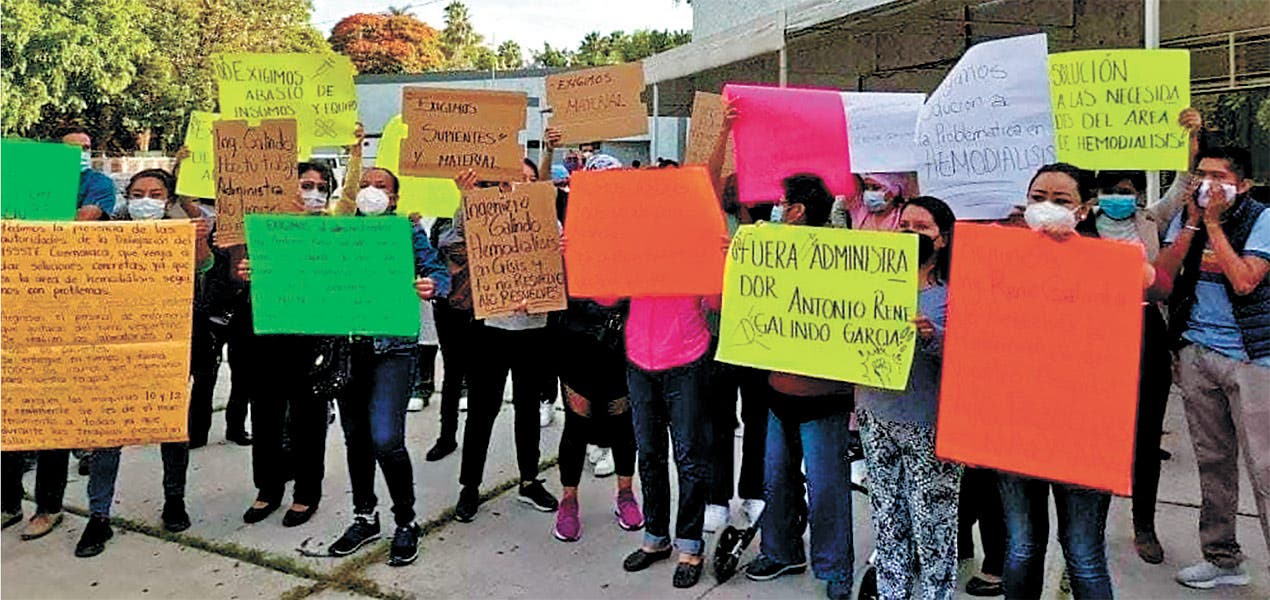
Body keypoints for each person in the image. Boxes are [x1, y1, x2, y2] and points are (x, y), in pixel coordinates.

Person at [248, 164, 447, 566]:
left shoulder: (406, 232)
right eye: (365, 184)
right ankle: (364, 516)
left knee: (386, 438)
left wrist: (432, 285)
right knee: (356, 437)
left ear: (394, 197)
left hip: (392, 350)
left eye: (381, 186)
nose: (372, 190)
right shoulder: (334, 232)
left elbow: (438, 272)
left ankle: (406, 521)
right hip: (347, 351)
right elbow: (297, 272)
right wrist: (262, 271)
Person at [995, 162, 1130, 598]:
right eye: (1038, 198)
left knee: (1083, 552)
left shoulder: (1109, 262)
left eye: (1061, 200)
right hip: (1014, 428)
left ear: (1084, 209)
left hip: (1081, 433)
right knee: (1022, 546)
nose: (1047, 207)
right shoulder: (997, 256)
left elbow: (1152, 280)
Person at [76, 168, 213, 558]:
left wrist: (198, 239)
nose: (146, 200)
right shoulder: (104, 233)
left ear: (168, 200)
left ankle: (174, 500)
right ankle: (98, 515)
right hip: (114, 346)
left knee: (172, 426)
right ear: (127, 198)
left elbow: (203, 267)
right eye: (138, 194)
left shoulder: (183, 231)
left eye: (155, 194)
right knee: (108, 433)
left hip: (169, 345)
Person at [1153, 145, 1270, 590]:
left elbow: (1244, 281)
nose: (1207, 184)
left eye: (1219, 177)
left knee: (1265, 467)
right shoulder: (1191, 218)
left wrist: (1216, 225)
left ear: (1244, 185)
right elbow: (1162, 282)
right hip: (1197, 352)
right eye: (1201, 174)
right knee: (1213, 461)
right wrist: (1192, 224)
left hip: (1253, 358)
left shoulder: (1261, 219)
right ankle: (1222, 557)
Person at [1093, 107, 1202, 564]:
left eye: (1127, 191)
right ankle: (1089, 526)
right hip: (1095, 335)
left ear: (1138, 195)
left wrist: (1191, 145)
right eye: (1111, 191)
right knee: (1096, 431)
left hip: (1144, 329)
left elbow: (1182, 186)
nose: (1119, 198)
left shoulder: (1150, 221)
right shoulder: (1079, 226)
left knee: (1145, 432)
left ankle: (1144, 525)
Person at [742, 174, 855, 600]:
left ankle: (835, 568)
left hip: (823, 399)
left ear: (797, 210)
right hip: (778, 394)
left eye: (781, 202)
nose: (775, 208)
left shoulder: (844, 256)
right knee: (776, 480)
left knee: (826, 490)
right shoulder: (767, 251)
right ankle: (780, 550)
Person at [855, 195, 961, 600]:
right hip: (874, 415)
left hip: (929, 424)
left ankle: (936, 594)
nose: (911, 234)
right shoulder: (868, 283)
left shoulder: (953, 294)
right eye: (904, 226)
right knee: (886, 516)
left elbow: (973, 359)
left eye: (922, 228)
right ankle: (891, 593)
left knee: (933, 523)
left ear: (942, 238)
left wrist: (934, 337)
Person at [447, 159, 560, 524]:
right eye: (517, 178)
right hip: (490, 329)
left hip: (534, 329)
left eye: (531, 179)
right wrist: (467, 199)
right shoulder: (483, 212)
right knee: (482, 410)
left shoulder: (548, 218)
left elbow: (562, 259)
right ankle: (469, 486)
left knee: (528, 408)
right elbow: (453, 242)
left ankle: (529, 480)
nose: (523, 184)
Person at [237, 160, 345, 529]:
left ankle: (306, 491)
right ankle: (268, 487)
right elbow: (237, 271)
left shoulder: (335, 230)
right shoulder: (262, 228)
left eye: (320, 187)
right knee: (265, 414)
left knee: (308, 417)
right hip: (266, 334)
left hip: (311, 336)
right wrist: (247, 272)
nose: (312, 193)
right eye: (305, 184)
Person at [547, 146, 643, 542]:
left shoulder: (638, 228)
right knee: (577, 423)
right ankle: (568, 500)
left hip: (621, 341)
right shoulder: (568, 224)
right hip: (577, 339)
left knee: (622, 423)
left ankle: (626, 493)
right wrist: (556, 257)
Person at [703, 101, 767, 533]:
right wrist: (724, 133)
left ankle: (754, 491)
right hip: (719, 334)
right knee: (719, 421)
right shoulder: (716, 218)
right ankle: (717, 498)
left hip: (760, 337)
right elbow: (707, 177)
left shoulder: (774, 226)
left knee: (758, 418)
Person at [173, 145, 252, 449]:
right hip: (213, 308)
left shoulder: (259, 224)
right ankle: (197, 432)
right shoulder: (208, 219)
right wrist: (182, 167)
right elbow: (185, 200)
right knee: (205, 374)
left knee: (243, 374)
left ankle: (236, 427)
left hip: (246, 309)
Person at [426, 214, 472, 462]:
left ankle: (475, 440)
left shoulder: (490, 213)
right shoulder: (442, 223)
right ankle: (447, 436)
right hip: (449, 306)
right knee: (452, 372)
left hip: (483, 306)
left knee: (480, 377)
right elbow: (432, 260)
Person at [61, 129, 116, 221]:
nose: (81, 152)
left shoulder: (100, 182)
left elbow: (86, 216)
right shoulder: (43, 179)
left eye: (85, 148)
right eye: (73, 147)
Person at [832, 173, 908, 231]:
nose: (869, 192)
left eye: (876, 188)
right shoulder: (860, 210)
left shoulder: (903, 216)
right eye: (867, 187)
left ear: (894, 190)